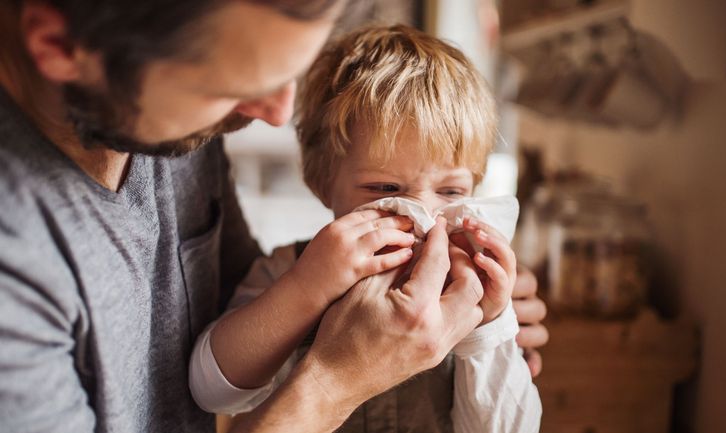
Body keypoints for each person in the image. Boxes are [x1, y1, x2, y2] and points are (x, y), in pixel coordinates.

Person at [0, 1, 547, 433]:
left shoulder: (174, 125)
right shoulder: (17, 270)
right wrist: (337, 374)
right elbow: (214, 380)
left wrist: (492, 327)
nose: (277, 115)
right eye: (230, 85)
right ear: (60, 47)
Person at [189, 25, 541, 433]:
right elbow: (211, 392)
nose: (422, 215)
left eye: (451, 190)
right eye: (386, 189)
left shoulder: (471, 290)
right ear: (322, 183)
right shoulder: (288, 270)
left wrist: (491, 325)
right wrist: (307, 288)